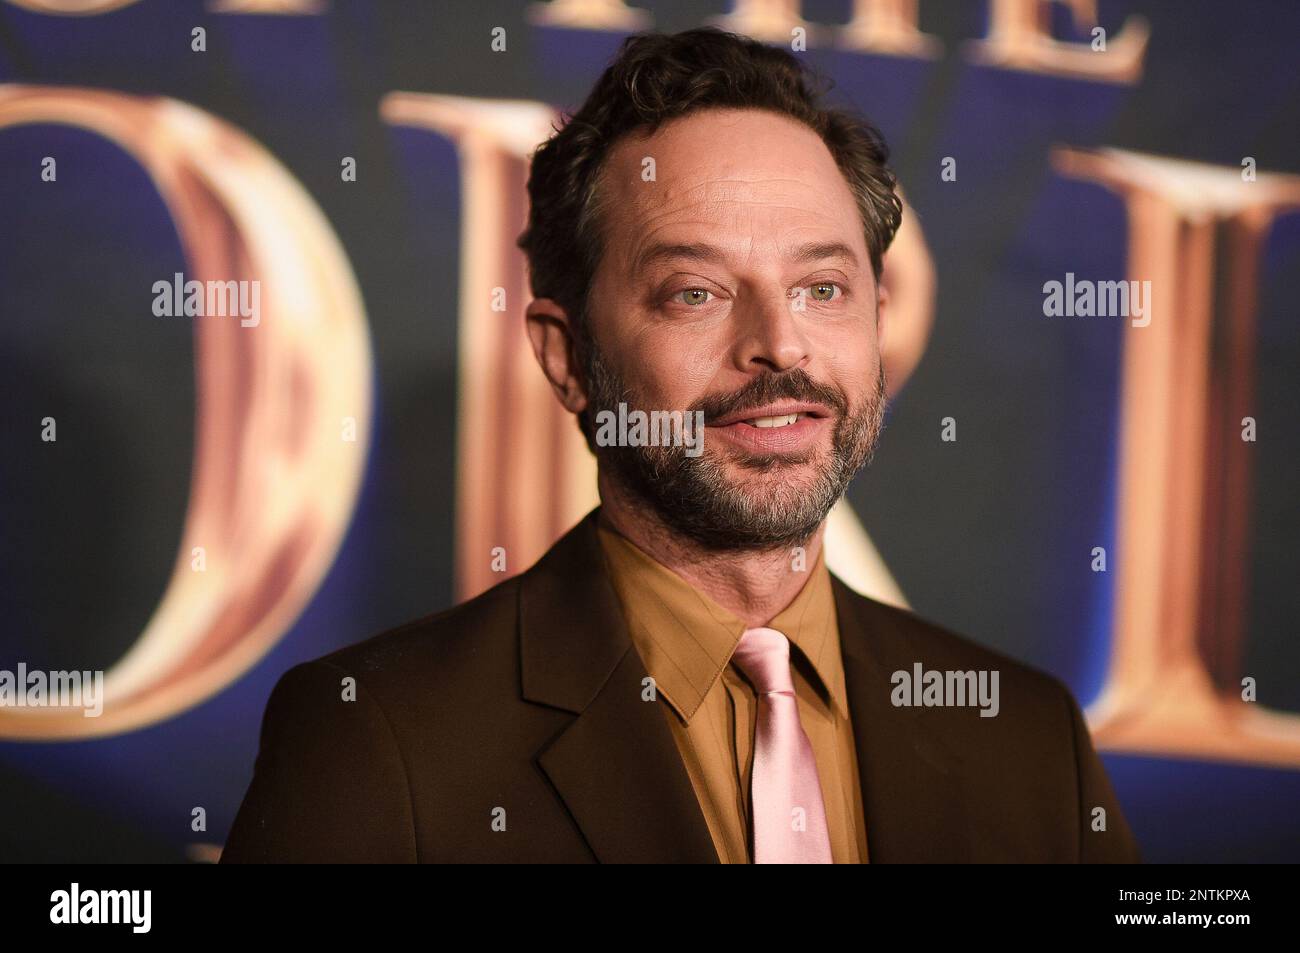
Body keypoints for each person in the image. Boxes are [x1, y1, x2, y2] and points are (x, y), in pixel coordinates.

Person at [221, 26, 1141, 864]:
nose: (780, 344)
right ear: (567, 357)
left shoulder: (1029, 740)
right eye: (695, 293)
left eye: (823, 289)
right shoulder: (379, 743)